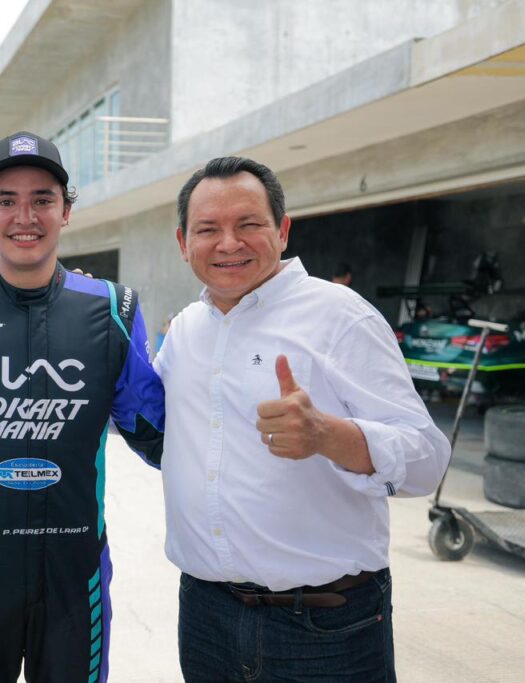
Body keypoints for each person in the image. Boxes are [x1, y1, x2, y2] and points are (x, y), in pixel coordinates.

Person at [155, 156, 450, 682]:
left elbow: (428, 460)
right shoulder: (185, 331)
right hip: (206, 617)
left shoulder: (341, 317)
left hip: (324, 627)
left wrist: (331, 436)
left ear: (283, 230)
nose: (228, 243)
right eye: (208, 229)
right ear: (183, 243)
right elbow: (140, 415)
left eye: (248, 224)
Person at [0, 131, 165, 683]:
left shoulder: (115, 309)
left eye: (43, 199)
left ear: (67, 210)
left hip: (75, 577)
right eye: (5, 200)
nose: (25, 215)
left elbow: (157, 436)